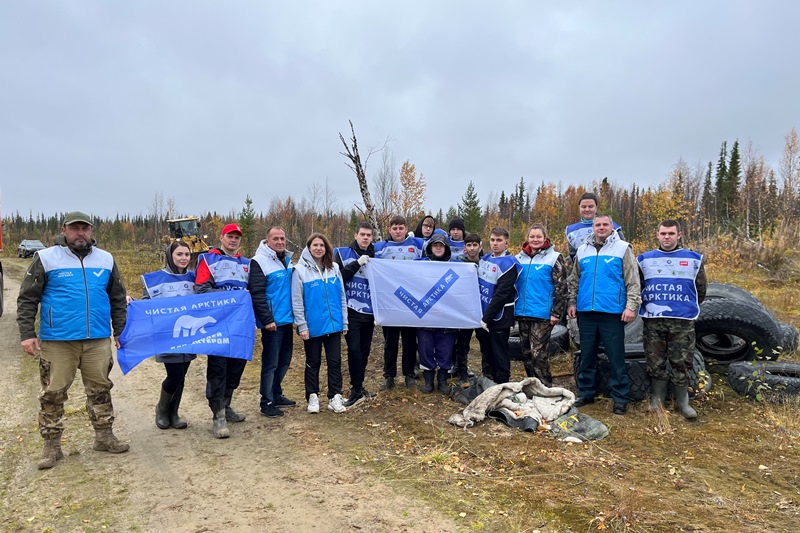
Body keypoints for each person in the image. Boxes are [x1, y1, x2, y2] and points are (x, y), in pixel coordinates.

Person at [17, 211, 129, 470]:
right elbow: (27, 298)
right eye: (75, 228)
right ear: (64, 230)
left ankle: (104, 436)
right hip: (58, 341)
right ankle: (52, 446)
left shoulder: (106, 259)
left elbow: (117, 297)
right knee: (53, 394)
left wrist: (120, 330)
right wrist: (27, 334)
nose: (80, 233)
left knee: (101, 390)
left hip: (97, 339)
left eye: (85, 228)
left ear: (91, 231)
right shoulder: (46, 258)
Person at [568, 214, 641, 415]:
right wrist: (572, 302)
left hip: (612, 312)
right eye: (598, 225)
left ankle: (620, 398)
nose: (601, 228)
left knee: (616, 357)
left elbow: (632, 280)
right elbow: (574, 279)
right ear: (593, 227)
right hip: (586, 312)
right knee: (587, 355)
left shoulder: (622, 248)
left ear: (612, 227)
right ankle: (586, 392)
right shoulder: (582, 250)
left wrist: (631, 306)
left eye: (605, 224)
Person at [638, 219, 707, 419]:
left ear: (679, 235)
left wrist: (685, 306)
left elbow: (700, 290)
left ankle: (682, 403)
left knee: (682, 361)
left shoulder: (693, 259)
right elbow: (638, 285)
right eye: (663, 233)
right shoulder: (645, 259)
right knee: (655, 359)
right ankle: (657, 399)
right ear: (657, 235)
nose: (667, 237)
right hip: (654, 320)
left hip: (682, 320)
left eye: (671, 233)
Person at [195, 223, 250, 438]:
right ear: (222, 237)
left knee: (237, 366)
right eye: (230, 236)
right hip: (218, 324)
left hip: (240, 325)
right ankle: (217, 415)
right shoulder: (209, 260)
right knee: (218, 369)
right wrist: (229, 300)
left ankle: (227, 405)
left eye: (237, 237)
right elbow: (202, 289)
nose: (233, 240)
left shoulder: (247, 263)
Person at [142, 240, 197, 430]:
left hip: (189, 335)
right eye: (179, 254)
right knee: (174, 375)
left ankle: (174, 413)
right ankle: (161, 409)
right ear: (170, 256)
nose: (184, 258)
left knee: (182, 375)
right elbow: (146, 306)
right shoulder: (156, 279)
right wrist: (131, 302)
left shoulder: (194, 278)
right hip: (167, 336)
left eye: (187, 255)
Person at [292, 233, 348, 414]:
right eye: (315, 245)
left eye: (321, 245)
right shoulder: (300, 270)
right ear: (308, 248)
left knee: (335, 362)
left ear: (326, 248)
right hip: (313, 327)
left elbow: (341, 297)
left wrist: (344, 322)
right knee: (312, 362)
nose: (318, 248)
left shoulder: (334, 268)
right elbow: (297, 300)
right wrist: (302, 325)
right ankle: (313, 396)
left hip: (333, 325)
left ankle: (335, 396)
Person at [249, 227, 295, 419]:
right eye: (275, 238)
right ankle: (266, 401)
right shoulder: (259, 261)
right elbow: (257, 293)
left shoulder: (286, 259)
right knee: (270, 363)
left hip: (287, 320)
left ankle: (276, 394)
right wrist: (267, 320)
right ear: (267, 241)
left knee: (284, 361)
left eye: (282, 238)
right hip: (272, 323)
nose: (280, 241)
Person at [373, 215, 424, 390]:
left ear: (405, 229)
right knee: (390, 342)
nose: (398, 231)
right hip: (390, 303)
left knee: (410, 342)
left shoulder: (417, 245)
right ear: (389, 230)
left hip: (410, 303)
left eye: (401, 228)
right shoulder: (381, 248)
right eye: (394, 228)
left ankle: (409, 374)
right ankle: (389, 376)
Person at [514, 224, 568, 386]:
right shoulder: (518, 258)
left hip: (543, 314)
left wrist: (556, 313)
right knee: (527, 353)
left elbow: (561, 287)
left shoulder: (554, 257)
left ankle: (545, 387)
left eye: (539, 237)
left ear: (545, 238)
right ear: (527, 238)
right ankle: (532, 385)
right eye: (532, 236)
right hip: (522, 312)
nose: (535, 240)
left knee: (539, 354)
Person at [334, 221, 376, 408]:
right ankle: (354, 389)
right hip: (350, 309)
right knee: (354, 350)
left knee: (365, 351)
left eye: (369, 235)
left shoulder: (377, 255)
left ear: (372, 237)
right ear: (356, 235)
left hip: (370, 311)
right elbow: (338, 278)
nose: (365, 238)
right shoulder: (343, 254)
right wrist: (357, 264)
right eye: (362, 234)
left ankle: (359, 387)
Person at [475, 227, 520, 384]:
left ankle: (503, 385)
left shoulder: (510, 264)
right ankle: (488, 382)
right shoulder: (485, 259)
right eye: (492, 240)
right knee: (486, 352)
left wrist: (486, 318)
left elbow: (501, 295)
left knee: (499, 353)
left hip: (499, 317)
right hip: (482, 315)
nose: (495, 243)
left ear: (507, 242)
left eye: (499, 240)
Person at [415, 234, 458, 393]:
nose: (438, 248)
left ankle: (443, 381)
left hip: (447, 316)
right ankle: (428, 381)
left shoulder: (456, 266)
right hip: (425, 315)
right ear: (430, 247)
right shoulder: (420, 265)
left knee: (445, 348)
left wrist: (471, 268)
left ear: (446, 248)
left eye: (441, 245)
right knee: (425, 347)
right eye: (435, 245)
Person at [452, 233, 482, 382]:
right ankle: (462, 371)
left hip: (483, 310)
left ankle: (487, 373)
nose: (472, 248)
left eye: (474, 245)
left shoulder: (486, 264)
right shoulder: (459, 265)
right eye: (469, 245)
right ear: (465, 248)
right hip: (465, 310)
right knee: (462, 342)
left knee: (485, 342)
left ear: (480, 246)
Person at [565, 192, 624, 260]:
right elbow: (573, 256)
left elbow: (623, 250)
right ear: (579, 208)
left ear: (596, 207)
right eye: (584, 207)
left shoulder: (613, 227)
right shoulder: (571, 230)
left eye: (591, 206)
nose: (587, 209)